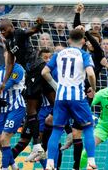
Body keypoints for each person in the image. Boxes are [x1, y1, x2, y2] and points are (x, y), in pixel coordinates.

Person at [0, 17, 54, 161]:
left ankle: (37, 146)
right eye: (1, 31)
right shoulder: (9, 42)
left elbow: (33, 30)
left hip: (35, 68)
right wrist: (4, 82)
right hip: (35, 71)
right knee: (52, 101)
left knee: (31, 110)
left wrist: (40, 23)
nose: (3, 32)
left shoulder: (19, 33)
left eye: (4, 29)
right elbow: (10, 62)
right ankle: (40, 146)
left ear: (11, 26)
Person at [41, 28, 97, 169]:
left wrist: (56, 86)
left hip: (61, 97)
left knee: (57, 130)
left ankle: (50, 163)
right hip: (77, 97)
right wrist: (94, 88)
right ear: (83, 41)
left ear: (69, 40)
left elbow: (44, 72)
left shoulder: (59, 54)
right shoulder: (84, 54)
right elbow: (90, 74)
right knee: (88, 127)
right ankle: (91, 162)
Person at [0, 51, 26, 170]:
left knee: (4, 139)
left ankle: (4, 168)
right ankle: (14, 166)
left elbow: (5, 86)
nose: (9, 56)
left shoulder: (18, 69)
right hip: (3, 109)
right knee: (0, 142)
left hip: (16, 107)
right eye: (7, 53)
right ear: (4, 55)